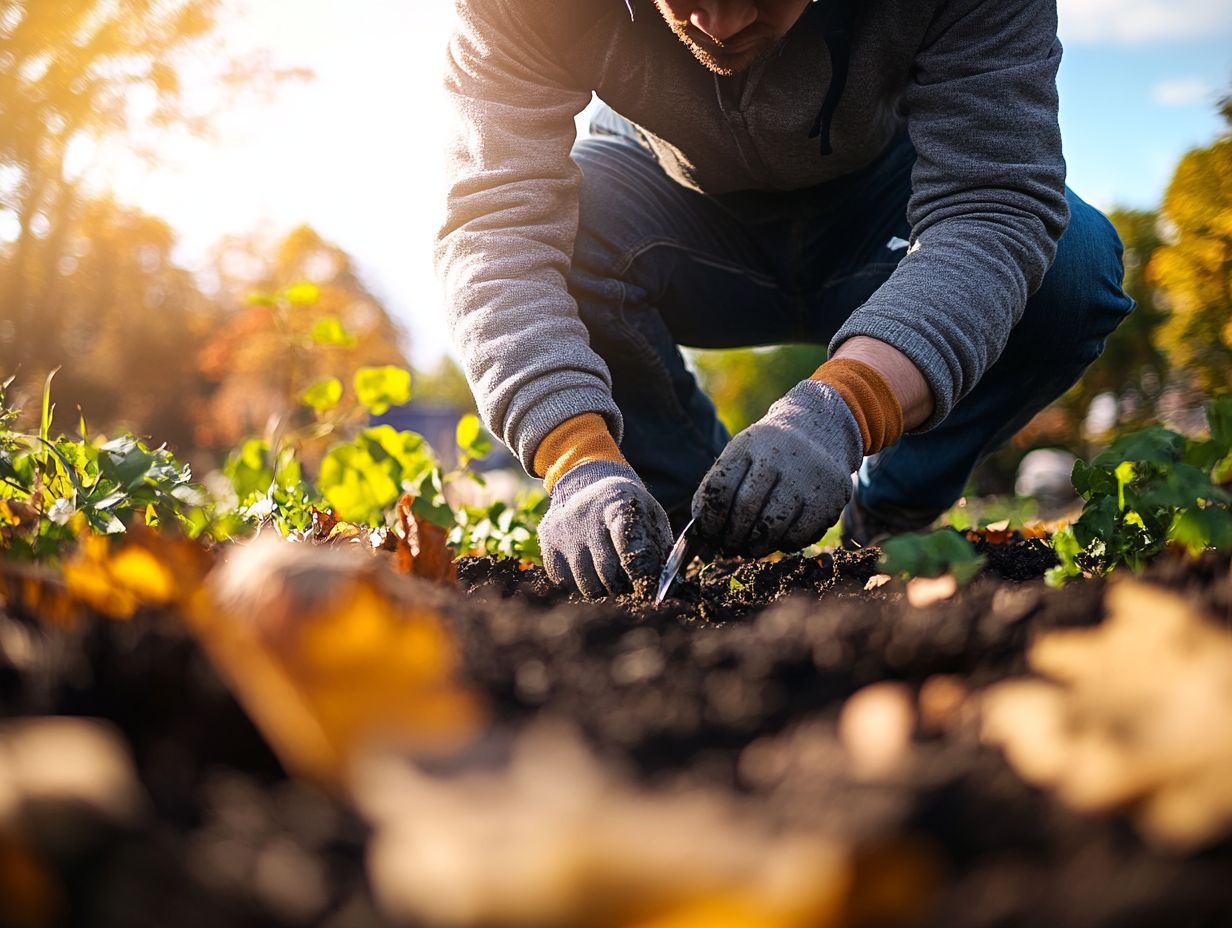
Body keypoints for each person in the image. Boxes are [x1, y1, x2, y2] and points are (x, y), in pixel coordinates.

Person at [436, 0, 1135, 599]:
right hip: (669, 217)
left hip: (891, 217)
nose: (721, 21)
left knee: (1071, 269)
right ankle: (691, 515)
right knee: (564, 247)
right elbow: (496, 227)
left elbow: (994, 206)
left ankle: (889, 514)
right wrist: (573, 454)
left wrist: (846, 407)